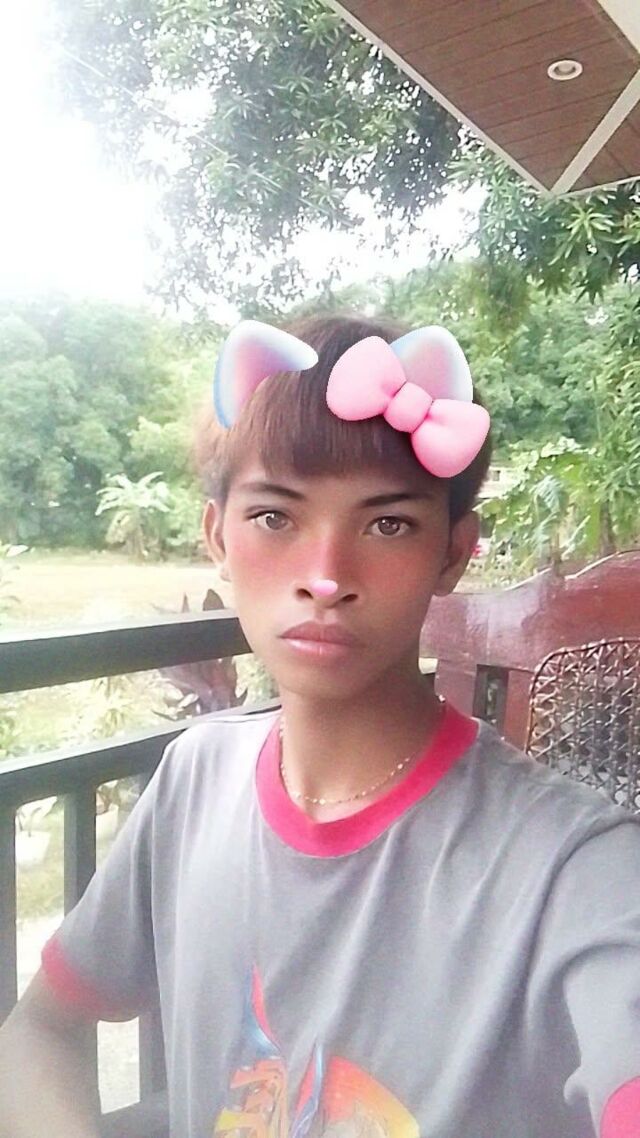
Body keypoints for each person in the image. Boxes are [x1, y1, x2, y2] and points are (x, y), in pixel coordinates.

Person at [0, 313, 638, 1138]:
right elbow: (40, 1028)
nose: (326, 576)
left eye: (388, 523)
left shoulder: (576, 867)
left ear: (453, 551)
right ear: (217, 536)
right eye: (275, 517)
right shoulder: (195, 779)